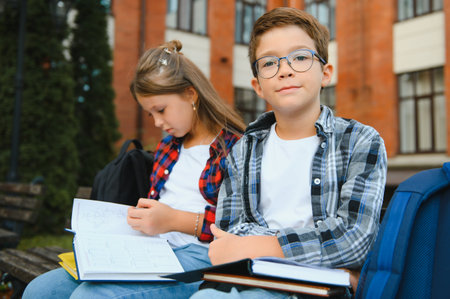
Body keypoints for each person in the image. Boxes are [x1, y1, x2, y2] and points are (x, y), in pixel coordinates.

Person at [22, 40, 246, 299]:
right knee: (40, 290)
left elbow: (241, 227)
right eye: (151, 114)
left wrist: (173, 220)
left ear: (190, 94)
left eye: (161, 110)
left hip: (204, 256)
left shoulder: (236, 148)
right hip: (152, 249)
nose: (159, 122)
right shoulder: (168, 148)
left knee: (90, 296)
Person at [191, 7, 387, 299]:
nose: (285, 69)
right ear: (258, 85)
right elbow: (229, 232)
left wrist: (263, 246)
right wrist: (258, 248)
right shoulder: (242, 151)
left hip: (319, 289)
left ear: (326, 73)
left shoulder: (360, 141)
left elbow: (354, 239)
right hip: (251, 277)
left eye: (300, 57)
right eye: (269, 63)